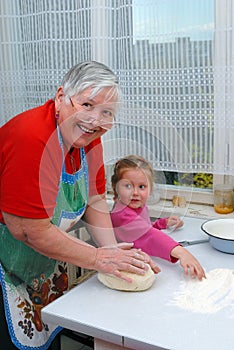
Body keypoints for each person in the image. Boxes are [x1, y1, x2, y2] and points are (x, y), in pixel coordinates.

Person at [0, 61, 160, 350]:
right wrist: (100, 259)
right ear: (60, 97)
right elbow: (28, 230)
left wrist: (113, 252)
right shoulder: (31, 137)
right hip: (5, 265)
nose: (95, 120)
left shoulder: (88, 140)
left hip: (43, 264)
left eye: (106, 112)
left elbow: (96, 200)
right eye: (87, 104)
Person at [110, 155, 206, 280]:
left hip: (139, 258)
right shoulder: (121, 214)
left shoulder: (137, 206)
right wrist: (182, 253)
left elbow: (143, 228)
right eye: (128, 186)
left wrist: (162, 223)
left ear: (150, 189)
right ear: (116, 188)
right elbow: (149, 235)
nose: (135, 192)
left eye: (142, 187)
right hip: (124, 267)